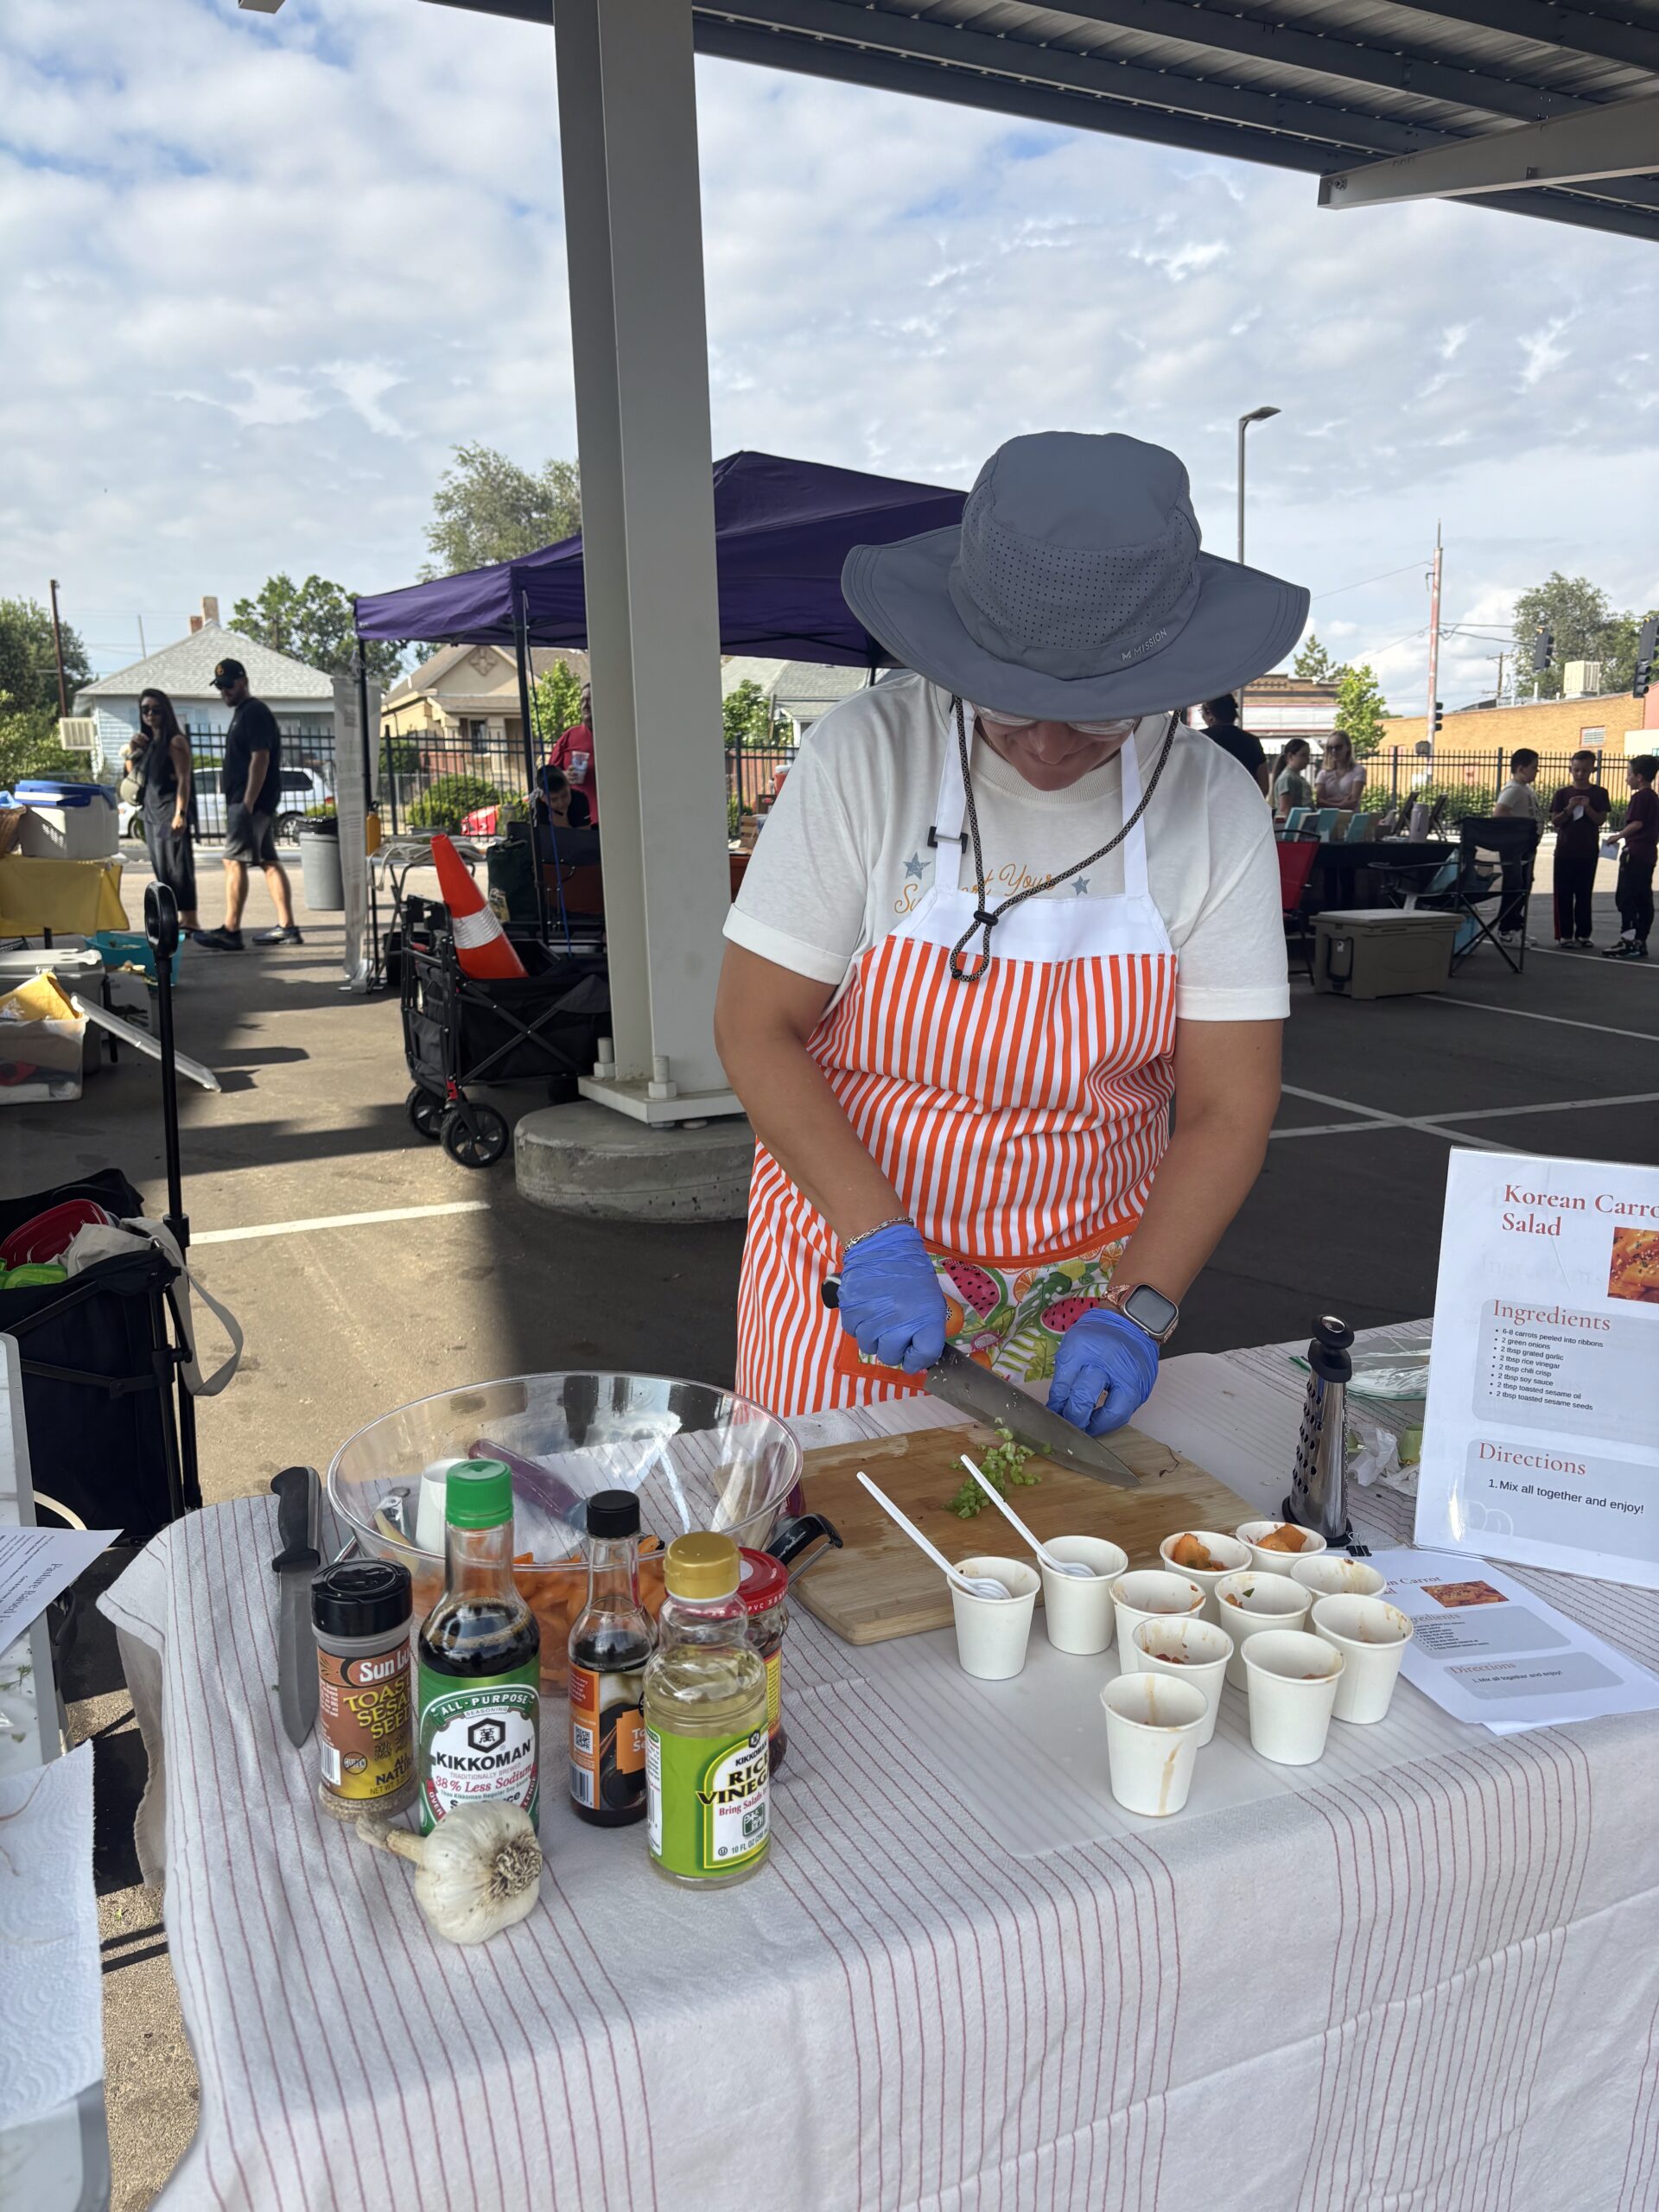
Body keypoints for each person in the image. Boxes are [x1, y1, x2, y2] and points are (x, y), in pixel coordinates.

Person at [715, 429, 1304, 1431]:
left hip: (1086, 1293)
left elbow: (1226, 1109)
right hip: (843, 1279)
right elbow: (754, 1024)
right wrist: (873, 1240)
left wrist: (1140, 1308)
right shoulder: (869, 756)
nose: (1044, 744)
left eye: (1097, 714)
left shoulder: (1214, 809)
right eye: (1009, 702)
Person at [194, 658, 302, 951]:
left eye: (229, 685)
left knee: (233, 860)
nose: (225, 691)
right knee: (268, 861)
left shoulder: (254, 712)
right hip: (251, 802)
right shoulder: (243, 713)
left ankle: (230, 930)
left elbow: (261, 757)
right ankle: (288, 926)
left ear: (243, 681)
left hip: (250, 802)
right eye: (220, 687)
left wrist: (248, 802)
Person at [124, 688, 199, 931]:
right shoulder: (150, 744)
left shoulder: (175, 741)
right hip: (151, 815)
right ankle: (176, 917)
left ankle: (190, 919)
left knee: (178, 866)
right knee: (162, 868)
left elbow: (184, 779)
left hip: (169, 813)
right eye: (145, 710)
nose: (151, 714)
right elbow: (132, 777)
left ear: (166, 711)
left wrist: (181, 813)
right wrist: (133, 750)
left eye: (156, 709)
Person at [1548, 749, 1611, 949]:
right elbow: (1555, 822)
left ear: (1593, 769)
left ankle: (1584, 934)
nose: (1580, 774)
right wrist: (1569, 808)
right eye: (1576, 770)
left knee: (1584, 894)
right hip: (1565, 851)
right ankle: (1565, 934)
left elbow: (1601, 820)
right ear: (1570, 769)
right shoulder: (1562, 793)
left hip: (1588, 851)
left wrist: (1587, 807)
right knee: (1563, 894)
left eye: (1584, 770)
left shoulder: (1599, 793)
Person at [1605, 754, 1656, 961]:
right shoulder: (1653, 798)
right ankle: (1638, 940)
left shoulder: (1640, 798)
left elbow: (1637, 823)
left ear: (1640, 777)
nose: (1627, 779)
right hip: (1648, 853)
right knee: (1642, 896)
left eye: (1629, 775)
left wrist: (1617, 836)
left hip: (1636, 852)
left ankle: (1630, 940)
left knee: (1628, 897)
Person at [1492, 747, 1543, 941]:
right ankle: (1506, 928)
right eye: (1534, 767)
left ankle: (1514, 924)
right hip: (1516, 846)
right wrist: (1522, 826)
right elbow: (1500, 812)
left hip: (1526, 846)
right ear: (1521, 768)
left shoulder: (1524, 788)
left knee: (1524, 885)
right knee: (1515, 886)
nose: (1536, 771)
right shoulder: (1513, 789)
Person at [548, 684, 598, 827]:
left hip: (610, 816)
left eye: (589, 700)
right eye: (582, 701)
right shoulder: (569, 737)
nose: (585, 705)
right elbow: (547, 777)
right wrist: (564, 775)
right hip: (576, 821)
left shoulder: (615, 736)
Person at [1199, 694, 1268, 797]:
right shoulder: (1251, 741)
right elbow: (1264, 785)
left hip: (1208, 807)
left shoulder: (1200, 739)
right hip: (1243, 805)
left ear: (1209, 714)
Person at [1314, 731, 1367, 811]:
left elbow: (1353, 802)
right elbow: (1319, 802)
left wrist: (1329, 802)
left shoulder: (1358, 770)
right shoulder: (1323, 773)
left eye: (1338, 747)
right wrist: (1341, 804)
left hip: (1351, 819)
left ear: (1348, 748)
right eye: (1330, 748)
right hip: (1328, 819)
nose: (1334, 751)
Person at [1270, 739, 1314, 824]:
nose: (1308, 759)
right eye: (1303, 755)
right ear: (1290, 756)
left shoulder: (1296, 777)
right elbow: (1285, 810)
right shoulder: (1287, 778)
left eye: (1308, 755)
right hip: (1293, 829)